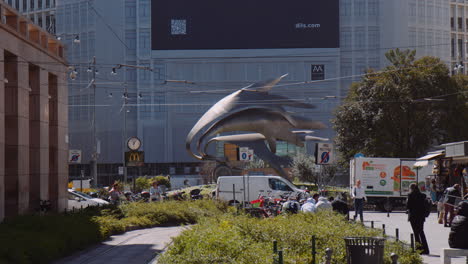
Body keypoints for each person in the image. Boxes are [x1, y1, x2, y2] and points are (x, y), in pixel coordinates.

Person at [407, 183, 430, 255]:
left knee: (416, 233)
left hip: (413, 216)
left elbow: (408, 206)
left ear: (411, 188)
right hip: (421, 216)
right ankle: (426, 249)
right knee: (421, 232)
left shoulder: (410, 195)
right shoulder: (423, 195)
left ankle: (418, 249)